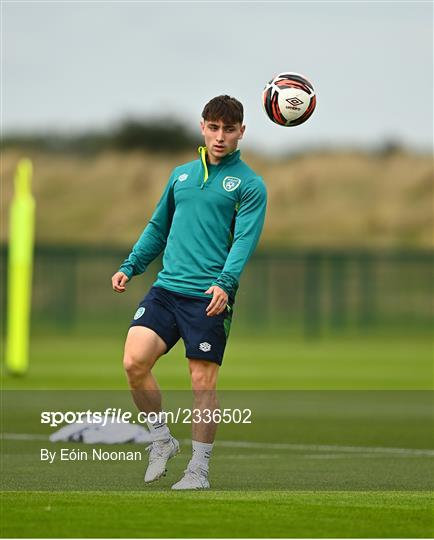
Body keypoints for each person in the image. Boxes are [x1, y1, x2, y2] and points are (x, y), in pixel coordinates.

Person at [111, 95, 267, 490]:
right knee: (134, 363)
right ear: (202, 127)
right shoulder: (180, 175)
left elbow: (244, 241)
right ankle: (161, 440)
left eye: (228, 130)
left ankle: (198, 470)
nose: (220, 137)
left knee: (202, 383)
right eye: (213, 128)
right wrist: (131, 266)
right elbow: (157, 228)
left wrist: (225, 284)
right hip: (167, 289)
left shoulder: (249, 185)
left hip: (209, 295)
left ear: (241, 133)